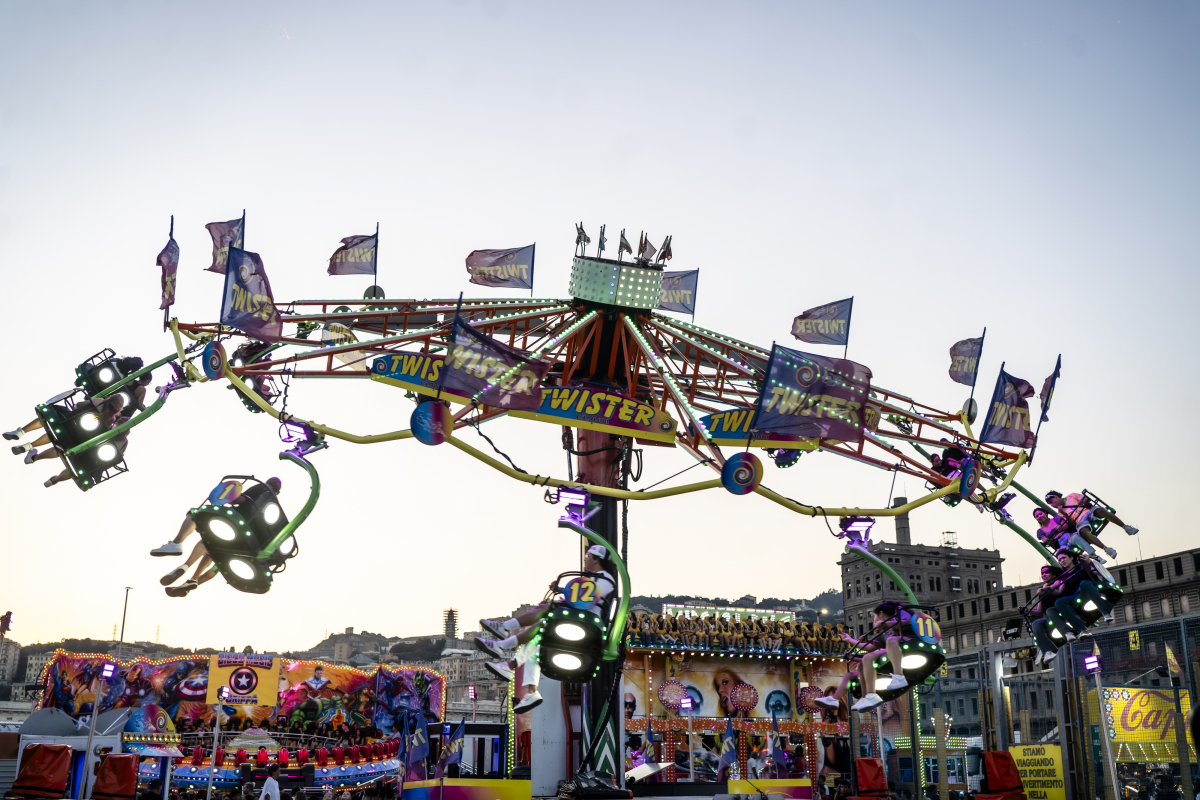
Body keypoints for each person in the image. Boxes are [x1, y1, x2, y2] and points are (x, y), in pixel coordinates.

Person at [475, 544, 617, 713]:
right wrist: (561, 590)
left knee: (545, 612)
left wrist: (563, 592)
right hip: (577, 620)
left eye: (588, 556)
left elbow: (588, 596)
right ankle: (527, 686)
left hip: (588, 623)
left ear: (596, 558)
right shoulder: (592, 578)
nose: (585, 559)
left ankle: (504, 633)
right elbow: (582, 594)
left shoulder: (606, 578)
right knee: (536, 648)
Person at [159, 477, 283, 597]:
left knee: (195, 516)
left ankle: (178, 549)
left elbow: (242, 500)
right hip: (246, 540)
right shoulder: (273, 505)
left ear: (268, 482)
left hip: (236, 523)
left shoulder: (262, 487)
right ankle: (193, 580)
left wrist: (230, 496)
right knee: (216, 555)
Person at [842, 603, 910, 711]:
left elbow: (908, 622)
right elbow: (870, 647)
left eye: (874, 618)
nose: (875, 622)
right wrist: (850, 640)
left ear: (881, 614)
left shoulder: (897, 615)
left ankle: (898, 677)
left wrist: (885, 623)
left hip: (907, 642)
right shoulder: (884, 632)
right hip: (891, 650)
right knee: (861, 664)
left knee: (870, 656)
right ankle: (866, 697)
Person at [1046, 490, 1138, 537]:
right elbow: (1071, 524)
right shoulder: (1060, 514)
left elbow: (1086, 499)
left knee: (1100, 510)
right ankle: (1106, 550)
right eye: (1049, 503)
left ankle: (1126, 527)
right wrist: (1064, 513)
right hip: (1081, 521)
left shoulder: (1072, 495)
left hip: (1089, 512)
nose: (1051, 504)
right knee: (1083, 531)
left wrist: (1082, 502)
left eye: (1051, 501)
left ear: (1056, 497)